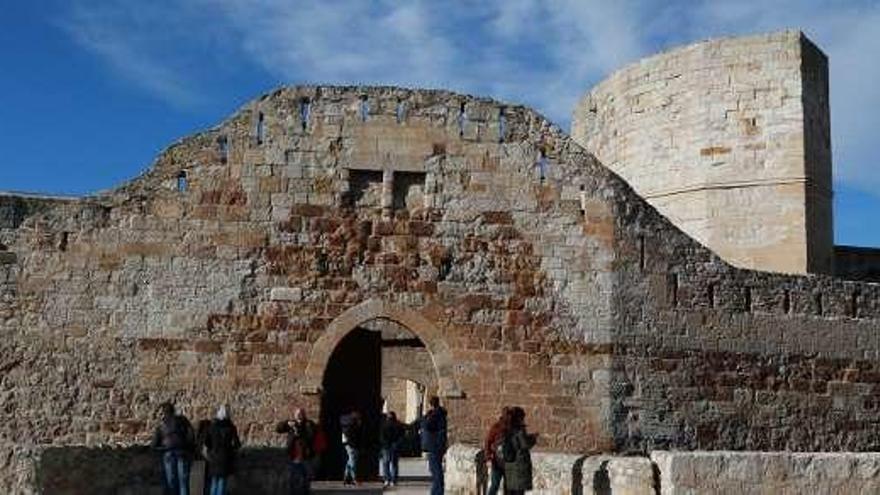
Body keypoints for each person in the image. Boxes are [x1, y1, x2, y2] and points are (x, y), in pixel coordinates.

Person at [151, 402, 195, 495]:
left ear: (164, 412)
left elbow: (154, 444)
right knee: (183, 482)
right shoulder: (182, 420)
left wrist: (162, 447)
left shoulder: (161, 425)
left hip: (168, 453)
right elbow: (191, 435)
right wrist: (188, 446)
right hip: (182, 451)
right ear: (173, 411)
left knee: (171, 482)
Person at [277, 408, 319, 495]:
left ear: (304, 415)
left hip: (305, 456)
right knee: (293, 478)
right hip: (293, 456)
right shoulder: (291, 424)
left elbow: (311, 435)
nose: (299, 416)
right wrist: (286, 423)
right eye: (297, 414)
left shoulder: (308, 424)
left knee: (306, 478)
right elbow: (278, 429)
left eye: (301, 414)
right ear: (295, 415)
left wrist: (298, 428)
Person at [204, 405, 241, 495]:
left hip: (213, 456)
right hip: (225, 456)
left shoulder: (212, 427)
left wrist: (210, 450)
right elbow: (237, 444)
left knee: (214, 481)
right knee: (222, 482)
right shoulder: (231, 427)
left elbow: (206, 442)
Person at [502, 407, 537, 495]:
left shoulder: (507, 427)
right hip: (519, 465)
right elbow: (524, 445)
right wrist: (533, 438)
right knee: (518, 491)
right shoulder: (519, 430)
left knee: (509, 491)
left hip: (509, 464)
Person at [419, 396, 448, 495]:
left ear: (430, 404)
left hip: (434, 446)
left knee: (436, 471)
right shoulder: (439, 414)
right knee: (435, 471)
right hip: (436, 446)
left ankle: (437, 492)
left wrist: (427, 414)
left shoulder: (435, 414)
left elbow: (426, 425)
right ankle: (436, 492)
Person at [484, 407, 511, 495]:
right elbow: (488, 442)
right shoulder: (496, 427)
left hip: (509, 462)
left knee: (508, 487)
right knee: (495, 485)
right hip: (497, 462)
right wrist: (488, 458)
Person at [379, 411, 404, 488]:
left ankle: (387, 479)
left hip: (386, 447)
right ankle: (394, 480)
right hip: (395, 446)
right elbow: (402, 436)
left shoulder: (384, 425)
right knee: (394, 464)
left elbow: (381, 437)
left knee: (386, 464)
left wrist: (384, 444)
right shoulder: (399, 425)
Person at [339, 410, 362, 485]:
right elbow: (354, 436)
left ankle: (346, 478)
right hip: (352, 445)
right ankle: (354, 479)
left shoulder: (348, 425)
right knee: (353, 462)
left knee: (350, 461)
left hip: (348, 444)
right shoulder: (353, 425)